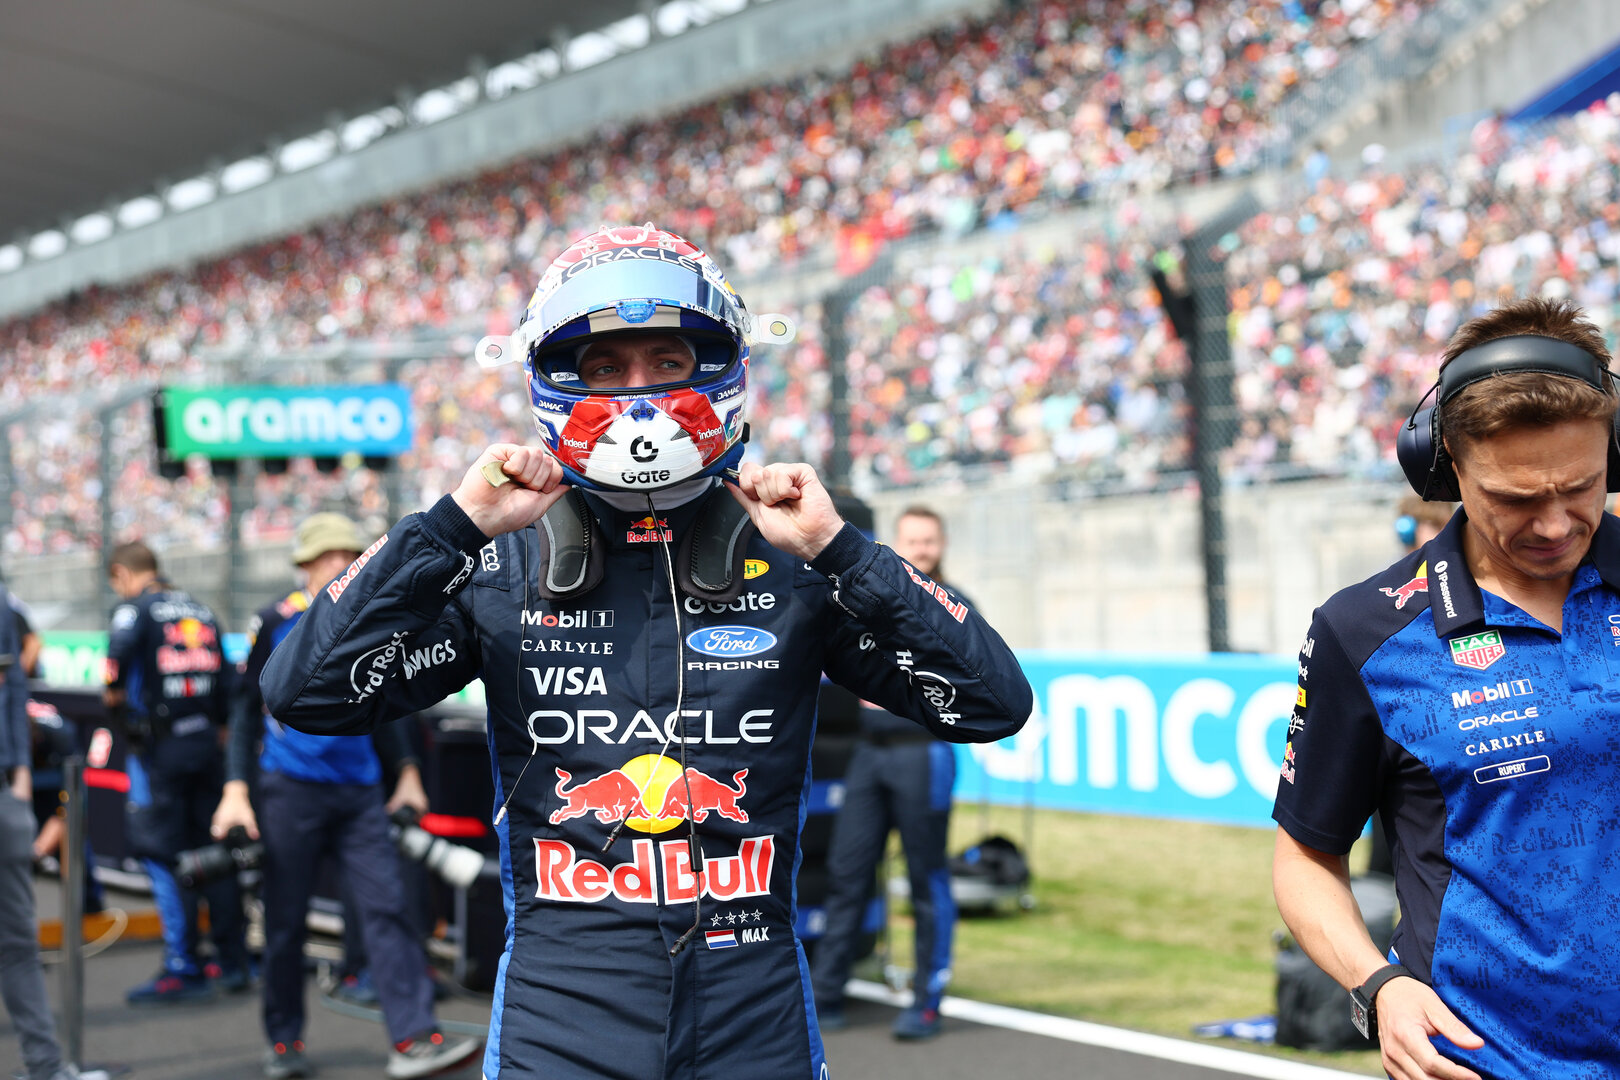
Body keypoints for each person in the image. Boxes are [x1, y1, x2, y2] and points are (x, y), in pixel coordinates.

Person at [260, 224, 1033, 1080]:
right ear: (552, 380)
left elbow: (995, 701)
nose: (639, 395)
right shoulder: (498, 561)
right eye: (602, 369)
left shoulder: (794, 556)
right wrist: (448, 527)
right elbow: (304, 693)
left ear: (721, 363)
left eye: (666, 361)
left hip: (753, 1004)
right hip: (563, 1009)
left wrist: (845, 552)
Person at [1273, 297, 1620, 1080]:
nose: (1557, 523)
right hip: (1486, 1062)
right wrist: (1380, 988)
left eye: (1581, 487)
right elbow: (1303, 859)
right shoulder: (1365, 631)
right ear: (1447, 465)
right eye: (1515, 498)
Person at [211, 512, 479, 1080]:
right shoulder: (275, 621)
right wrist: (235, 789)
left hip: (359, 794)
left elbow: (388, 699)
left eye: (348, 554)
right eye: (329, 556)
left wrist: (406, 771)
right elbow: (243, 712)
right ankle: (283, 1042)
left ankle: (413, 1039)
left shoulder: (375, 614)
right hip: (289, 793)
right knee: (284, 922)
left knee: (388, 910)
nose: (340, 563)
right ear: (305, 566)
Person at [811, 505, 964, 1040]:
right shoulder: (871, 597)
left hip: (924, 755)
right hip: (868, 754)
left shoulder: (954, 607)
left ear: (941, 546)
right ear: (894, 544)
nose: (920, 549)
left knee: (927, 879)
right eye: (911, 541)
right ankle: (825, 995)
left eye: (928, 541)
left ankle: (928, 1002)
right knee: (848, 874)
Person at [104, 541, 247, 1003]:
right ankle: (232, 961)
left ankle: (182, 964)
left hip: (159, 753)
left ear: (122, 574)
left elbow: (113, 672)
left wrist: (121, 715)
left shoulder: (134, 610)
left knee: (162, 855)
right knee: (214, 854)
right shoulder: (200, 609)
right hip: (207, 748)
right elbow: (228, 687)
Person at [0, 578, 108, 1080]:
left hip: (9, 791)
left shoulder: (4, 603)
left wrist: (19, 778)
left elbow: (15, 683)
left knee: (18, 943)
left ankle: (48, 1069)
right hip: (15, 791)